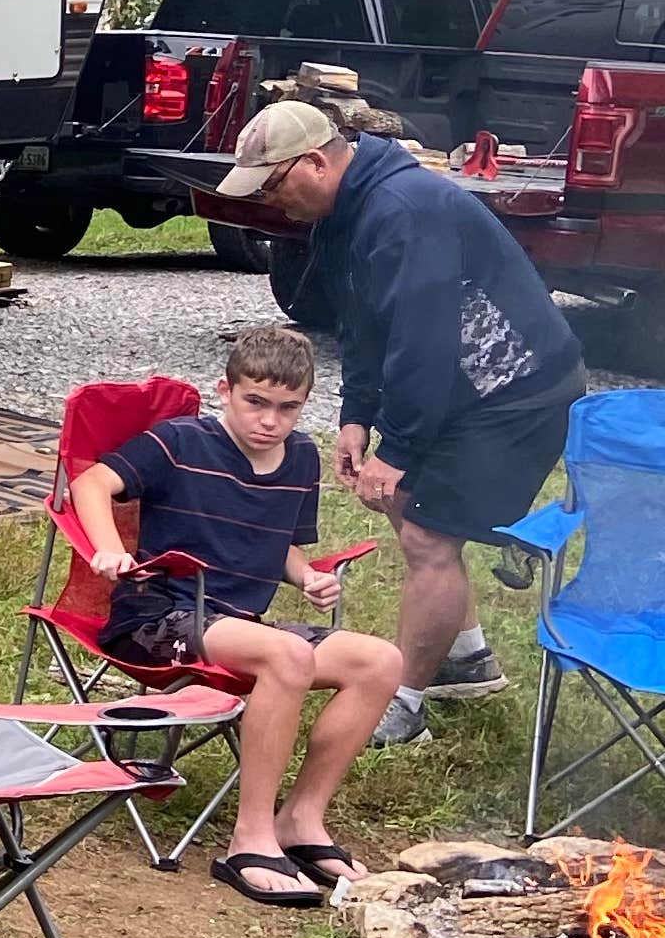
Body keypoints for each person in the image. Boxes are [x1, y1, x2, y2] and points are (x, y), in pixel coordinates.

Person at [214, 98, 581, 750]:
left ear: (315, 162)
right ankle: (466, 660)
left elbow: (423, 340)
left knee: (427, 536)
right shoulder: (342, 214)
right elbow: (361, 325)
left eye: (273, 184)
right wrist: (357, 415)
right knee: (407, 505)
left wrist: (400, 447)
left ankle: (403, 703)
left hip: (518, 393)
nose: (270, 201)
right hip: (463, 389)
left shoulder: (404, 210)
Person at [67, 319, 402, 910]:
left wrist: (307, 576)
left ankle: (300, 820)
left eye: (287, 408)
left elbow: (281, 546)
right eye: (255, 402)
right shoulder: (180, 441)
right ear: (225, 391)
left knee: (380, 661)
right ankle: (249, 839)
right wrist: (110, 550)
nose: (269, 420)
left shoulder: (300, 458)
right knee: (287, 655)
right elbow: (90, 484)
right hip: (157, 617)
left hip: (239, 625)